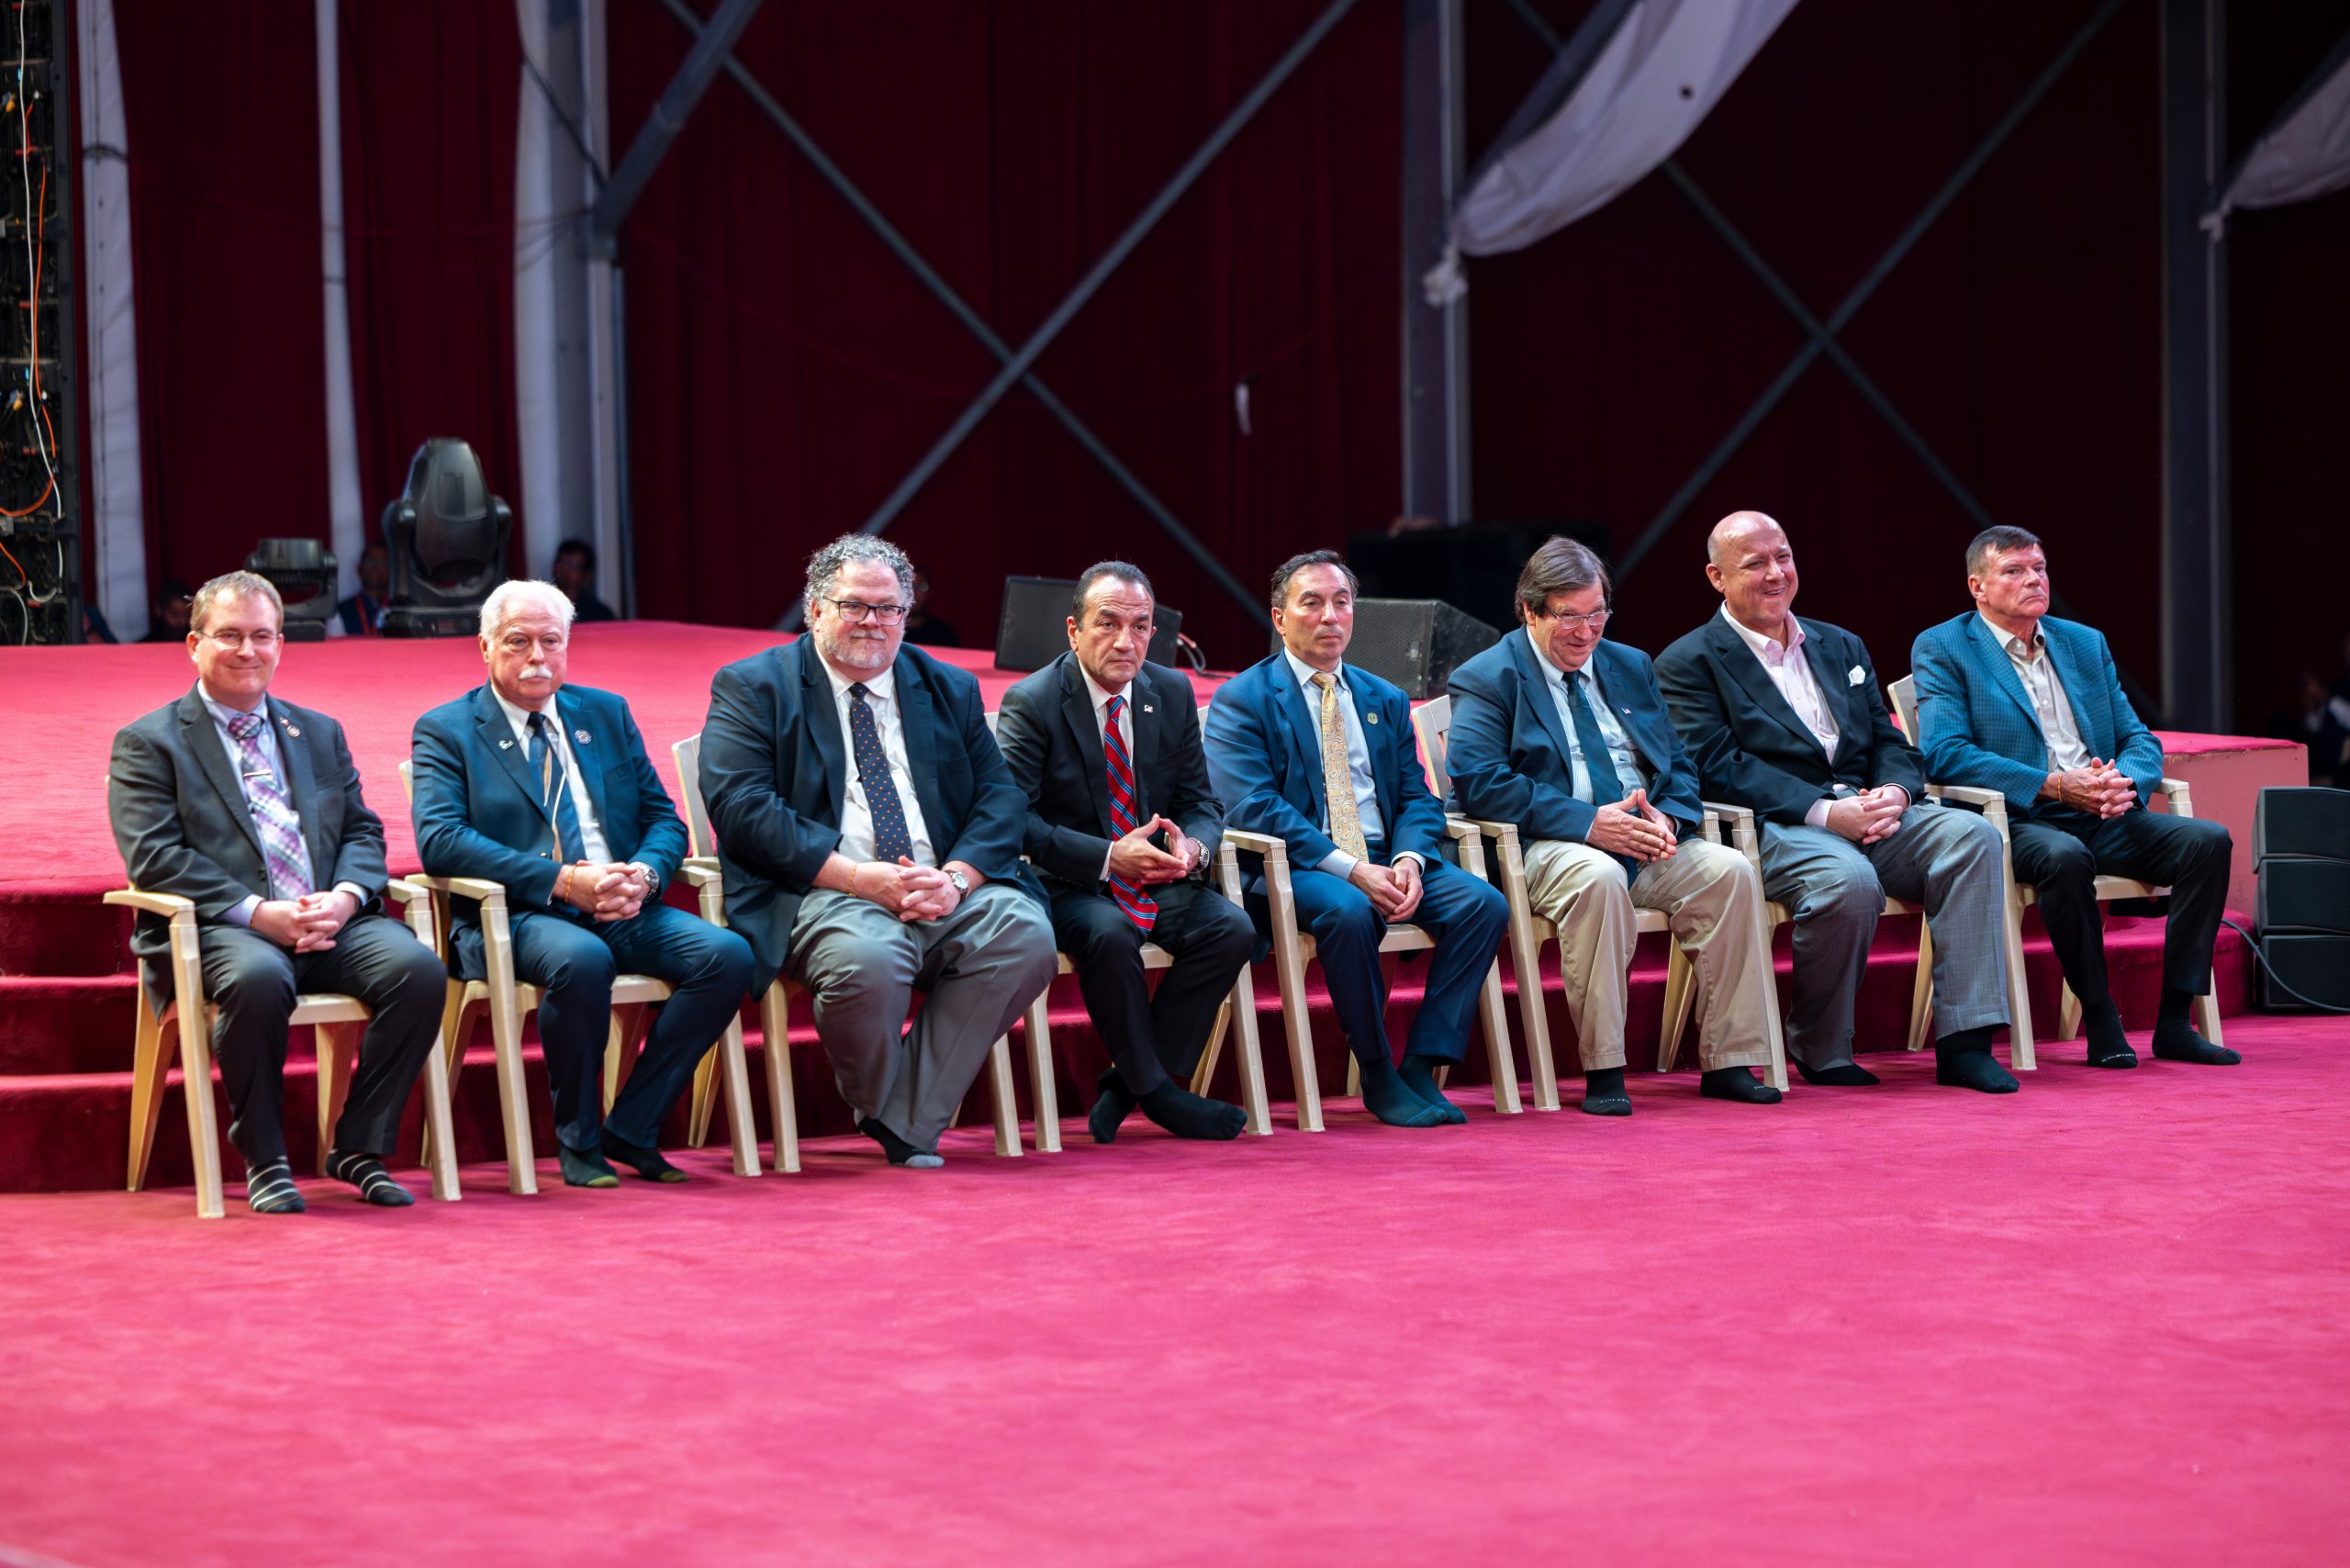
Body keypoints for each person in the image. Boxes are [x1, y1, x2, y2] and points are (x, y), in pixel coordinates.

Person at [699, 534, 1055, 1168]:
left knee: (1025, 933)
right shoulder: (755, 686)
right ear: (815, 610)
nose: (874, 621)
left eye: (889, 608)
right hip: (823, 886)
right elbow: (742, 810)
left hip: (939, 884)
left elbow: (1002, 798)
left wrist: (957, 879)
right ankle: (901, 1114)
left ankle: (899, 1119)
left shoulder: (946, 686)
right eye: (854, 605)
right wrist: (862, 879)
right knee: (868, 957)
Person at [106, 571, 444, 1213]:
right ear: (194, 645)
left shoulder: (317, 732)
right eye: (229, 635)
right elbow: (153, 856)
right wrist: (260, 913)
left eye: (262, 636)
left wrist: (345, 898)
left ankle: (358, 1148)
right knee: (259, 980)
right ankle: (265, 1158)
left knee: (420, 971)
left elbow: (361, 829)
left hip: (327, 919)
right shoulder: (150, 742)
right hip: (222, 927)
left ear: (281, 645)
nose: (247, 650)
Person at [1655, 512, 2016, 1093]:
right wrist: (1826, 812)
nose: (1776, 573)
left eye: (1783, 557)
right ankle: (1820, 1045)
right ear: (1716, 577)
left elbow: (1887, 740)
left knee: (1973, 837)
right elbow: (1717, 767)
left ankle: (1965, 1044)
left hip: (1870, 809)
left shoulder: (1839, 643)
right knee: (1846, 881)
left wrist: (1895, 792)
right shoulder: (1687, 661)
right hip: (1777, 824)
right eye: (1755, 563)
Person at [410, 580, 753, 1188]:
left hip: (620, 903)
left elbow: (663, 819)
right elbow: (441, 841)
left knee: (726, 956)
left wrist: (644, 875)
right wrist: (564, 881)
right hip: (517, 913)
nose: (537, 657)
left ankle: (635, 1125)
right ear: (485, 647)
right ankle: (579, 1136)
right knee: (583, 959)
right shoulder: (448, 729)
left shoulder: (604, 713)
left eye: (551, 641)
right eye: (518, 642)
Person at [1446, 537, 1781, 1114]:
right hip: (1548, 841)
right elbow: (1481, 783)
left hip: (1642, 835)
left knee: (1729, 872)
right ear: (1529, 611)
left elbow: (1677, 762)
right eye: (1569, 617)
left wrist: (1667, 816)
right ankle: (1605, 1068)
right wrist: (1588, 824)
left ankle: (1730, 1060)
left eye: (1597, 613)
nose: (1586, 632)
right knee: (1598, 877)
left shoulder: (1629, 664)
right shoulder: (1488, 676)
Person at [1203, 549, 1509, 1127]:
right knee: (1349, 910)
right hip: (1297, 865)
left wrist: (1410, 859)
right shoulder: (1243, 699)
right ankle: (1376, 1069)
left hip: (1385, 855)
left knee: (1483, 904)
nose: (1330, 616)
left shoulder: (1382, 698)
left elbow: (1417, 796)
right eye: (1312, 603)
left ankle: (1421, 1064)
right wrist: (1351, 869)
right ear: (1279, 618)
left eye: (1341, 603)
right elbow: (1254, 807)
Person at [1912, 526, 2237, 1069]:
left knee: (2207, 843)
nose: (2033, 580)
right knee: (2065, 858)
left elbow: (2138, 738)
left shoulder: (2083, 642)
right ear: (1978, 586)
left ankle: (2175, 1022)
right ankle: (2101, 1015)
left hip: (2100, 810)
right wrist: (2052, 784)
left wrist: (2121, 783)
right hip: (2015, 817)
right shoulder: (1945, 645)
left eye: (2038, 568)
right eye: (2014, 571)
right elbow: (1944, 753)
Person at [994, 561, 1253, 1144]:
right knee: (1110, 934)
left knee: (1232, 929)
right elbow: (1014, 822)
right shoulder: (1033, 701)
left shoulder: (1171, 690)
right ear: (1074, 630)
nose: (1125, 642)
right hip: (1070, 879)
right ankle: (1160, 1094)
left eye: (1140, 627)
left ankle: (1129, 1084)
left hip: (1155, 874)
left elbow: (1201, 801)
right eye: (1108, 624)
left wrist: (1193, 847)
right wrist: (1110, 857)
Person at [551, 538, 618, 622]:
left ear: (587, 576)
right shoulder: (543, 606)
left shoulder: (599, 614)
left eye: (572, 565)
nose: (564, 569)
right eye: (561, 562)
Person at [334, 543, 390, 636]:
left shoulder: (400, 609)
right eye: (370, 561)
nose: (375, 567)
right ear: (359, 567)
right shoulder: (341, 611)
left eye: (382, 562)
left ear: (391, 570)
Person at [899, 566, 960, 646]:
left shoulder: (943, 634)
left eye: (921, 587)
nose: (913, 593)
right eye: (908, 586)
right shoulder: (890, 630)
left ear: (930, 593)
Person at [141, 577, 194, 643]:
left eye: (187, 615)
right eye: (175, 615)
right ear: (159, 610)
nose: (182, 622)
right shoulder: (147, 644)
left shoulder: (197, 643)